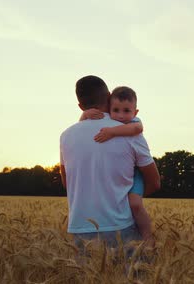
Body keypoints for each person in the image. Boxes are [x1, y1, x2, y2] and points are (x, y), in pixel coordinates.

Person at [60, 75, 160, 257]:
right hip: (121, 226)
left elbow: (67, 184)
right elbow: (154, 182)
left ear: (81, 107)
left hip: (79, 230)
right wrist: (128, 199)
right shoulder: (129, 132)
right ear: (108, 96)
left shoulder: (65, 136)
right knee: (134, 280)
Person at [79, 86, 155, 247]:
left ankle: (148, 236)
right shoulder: (109, 121)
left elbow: (137, 128)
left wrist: (113, 132)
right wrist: (84, 115)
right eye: (116, 110)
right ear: (108, 108)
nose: (121, 116)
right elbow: (81, 129)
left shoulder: (133, 123)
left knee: (134, 203)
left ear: (135, 112)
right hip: (120, 173)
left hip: (136, 173)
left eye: (126, 111)